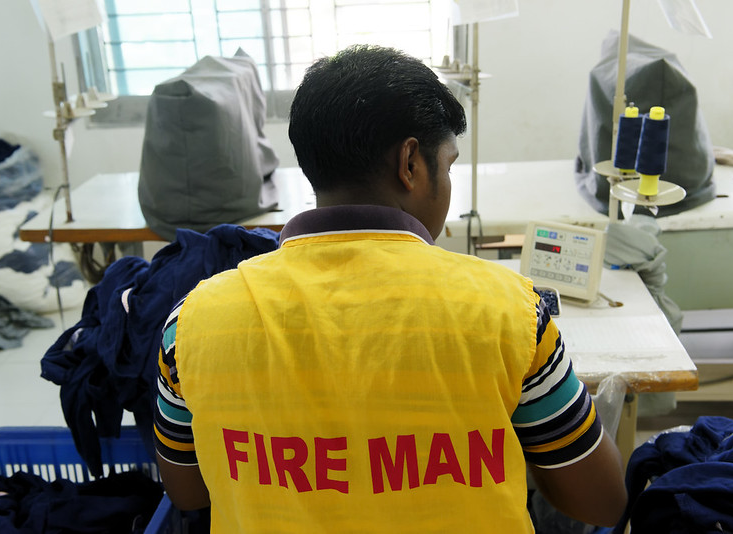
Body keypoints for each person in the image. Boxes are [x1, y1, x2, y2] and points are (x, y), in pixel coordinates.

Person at [153, 44, 627, 532]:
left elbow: (186, 491)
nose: (446, 182)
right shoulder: (512, 312)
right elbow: (602, 504)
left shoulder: (191, 324)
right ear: (411, 164)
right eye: (447, 165)